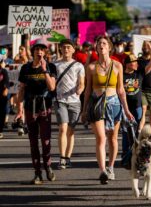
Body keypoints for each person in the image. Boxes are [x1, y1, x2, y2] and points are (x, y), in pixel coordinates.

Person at [81, 35, 133, 185]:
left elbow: (121, 90)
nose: (101, 46)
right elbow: (87, 90)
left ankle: (110, 167)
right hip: (96, 104)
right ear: (96, 48)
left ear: (109, 47)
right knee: (101, 138)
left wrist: (127, 110)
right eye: (99, 44)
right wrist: (84, 110)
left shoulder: (118, 66)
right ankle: (102, 170)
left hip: (114, 103)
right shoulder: (91, 67)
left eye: (104, 43)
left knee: (112, 138)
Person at [15, 40, 57, 185]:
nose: (39, 52)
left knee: (46, 141)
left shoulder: (51, 67)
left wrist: (45, 70)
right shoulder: (26, 68)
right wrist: (19, 110)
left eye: (42, 50)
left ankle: (48, 166)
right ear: (32, 52)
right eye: (37, 49)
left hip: (45, 107)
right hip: (30, 108)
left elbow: (52, 87)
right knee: (33, 143)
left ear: (45, 52)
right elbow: (21, 89)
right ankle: (37, 173)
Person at [54, 39, 85, 169]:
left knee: (71, 131)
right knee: (63, 128)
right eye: (64, 47)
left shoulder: (79, 65)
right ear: (60, 49)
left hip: (75, 101)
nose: (66, 49)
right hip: (60, 100)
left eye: (68, 47)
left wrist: (80, 89)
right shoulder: (55, 65)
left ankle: (67, 157)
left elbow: (82, 82)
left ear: (73, 50)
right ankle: (61, 158)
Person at [122, 42, 151, 155]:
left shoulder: (139, 73)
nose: (136, 63)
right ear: (127, 64)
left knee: (137, 131)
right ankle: (126, 153)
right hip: (124, 107)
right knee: (126, 131)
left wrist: (150, 49)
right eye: (133, 62)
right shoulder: (121, 75)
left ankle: (135, 152)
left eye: (136, 61)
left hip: (137, 107)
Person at [0, 61, 9, 139]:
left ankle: (0, 131)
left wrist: (5, 89)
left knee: (2, 113)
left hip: (2, 95)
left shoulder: (3, 71)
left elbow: (7, 83)